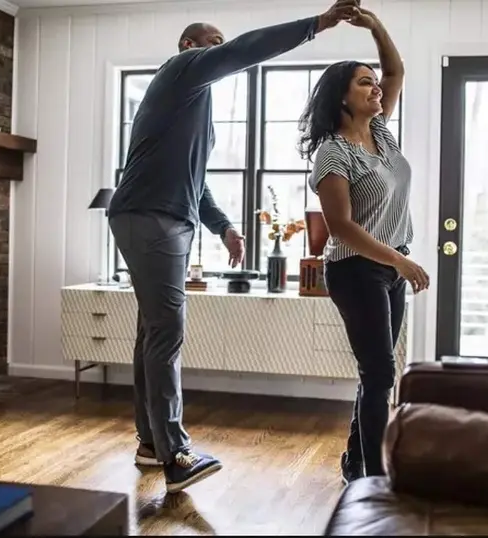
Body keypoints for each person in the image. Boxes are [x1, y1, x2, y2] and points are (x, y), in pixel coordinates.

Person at [106, 0, 363, 494]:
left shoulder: (192, 105)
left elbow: (194, 181)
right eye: (213, 43)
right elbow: (246, 49)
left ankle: (151, 443)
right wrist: (317, 24)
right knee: (166, 333)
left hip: (162, 218)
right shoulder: (180, 71)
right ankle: (176, 454)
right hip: (151, 217)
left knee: (152, 332)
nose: (221, 51)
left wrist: (223, 226)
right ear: (189, 46)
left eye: (221, 45)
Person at [300, 7, 430, 484]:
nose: (376, 88)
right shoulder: (332, 153)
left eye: (375, 83)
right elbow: (341, 227)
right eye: (364, 83)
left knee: (376, 374)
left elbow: (396, 72)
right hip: (355, 269)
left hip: (388, 267)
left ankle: (356, 465)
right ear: (342, 98)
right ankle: (375, 479)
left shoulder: (379, 132)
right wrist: (400, 261)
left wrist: (375, 26)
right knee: (379, 374)